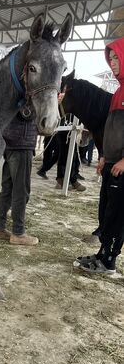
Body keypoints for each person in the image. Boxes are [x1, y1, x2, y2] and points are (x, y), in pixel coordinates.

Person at [75, 36, 124, 275]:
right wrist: (104, 155)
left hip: (123, 166)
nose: (113, 62)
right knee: (106, 209)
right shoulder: (118, 92)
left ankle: (109, 261)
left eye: (117, 57)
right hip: (111, 163)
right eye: (111, 58)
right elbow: (113, 130)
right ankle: (102, 254)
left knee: (117, 215)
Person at [0, 112, 39, 246]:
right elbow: (27, 114)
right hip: (21, 142)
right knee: (21, 191)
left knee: (7, 189)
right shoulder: (26, 94)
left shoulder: (12, 91)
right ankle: (18, 233)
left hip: (11, 142)